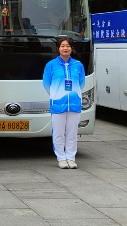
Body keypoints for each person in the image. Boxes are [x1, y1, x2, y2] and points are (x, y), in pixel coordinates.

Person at [42, 37, 85, 169]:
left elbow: (81, 83)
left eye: (67, 46)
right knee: (58, 132)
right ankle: (61, 158)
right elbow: (46, 84)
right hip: (57, 104)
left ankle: (71, 158)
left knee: (72, 133)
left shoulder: (78, 65)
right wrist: (56, 95)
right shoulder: (51, 65)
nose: (65, 48)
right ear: (58, 48)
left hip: (74, 104)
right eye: (62, 46)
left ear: (71, 48)